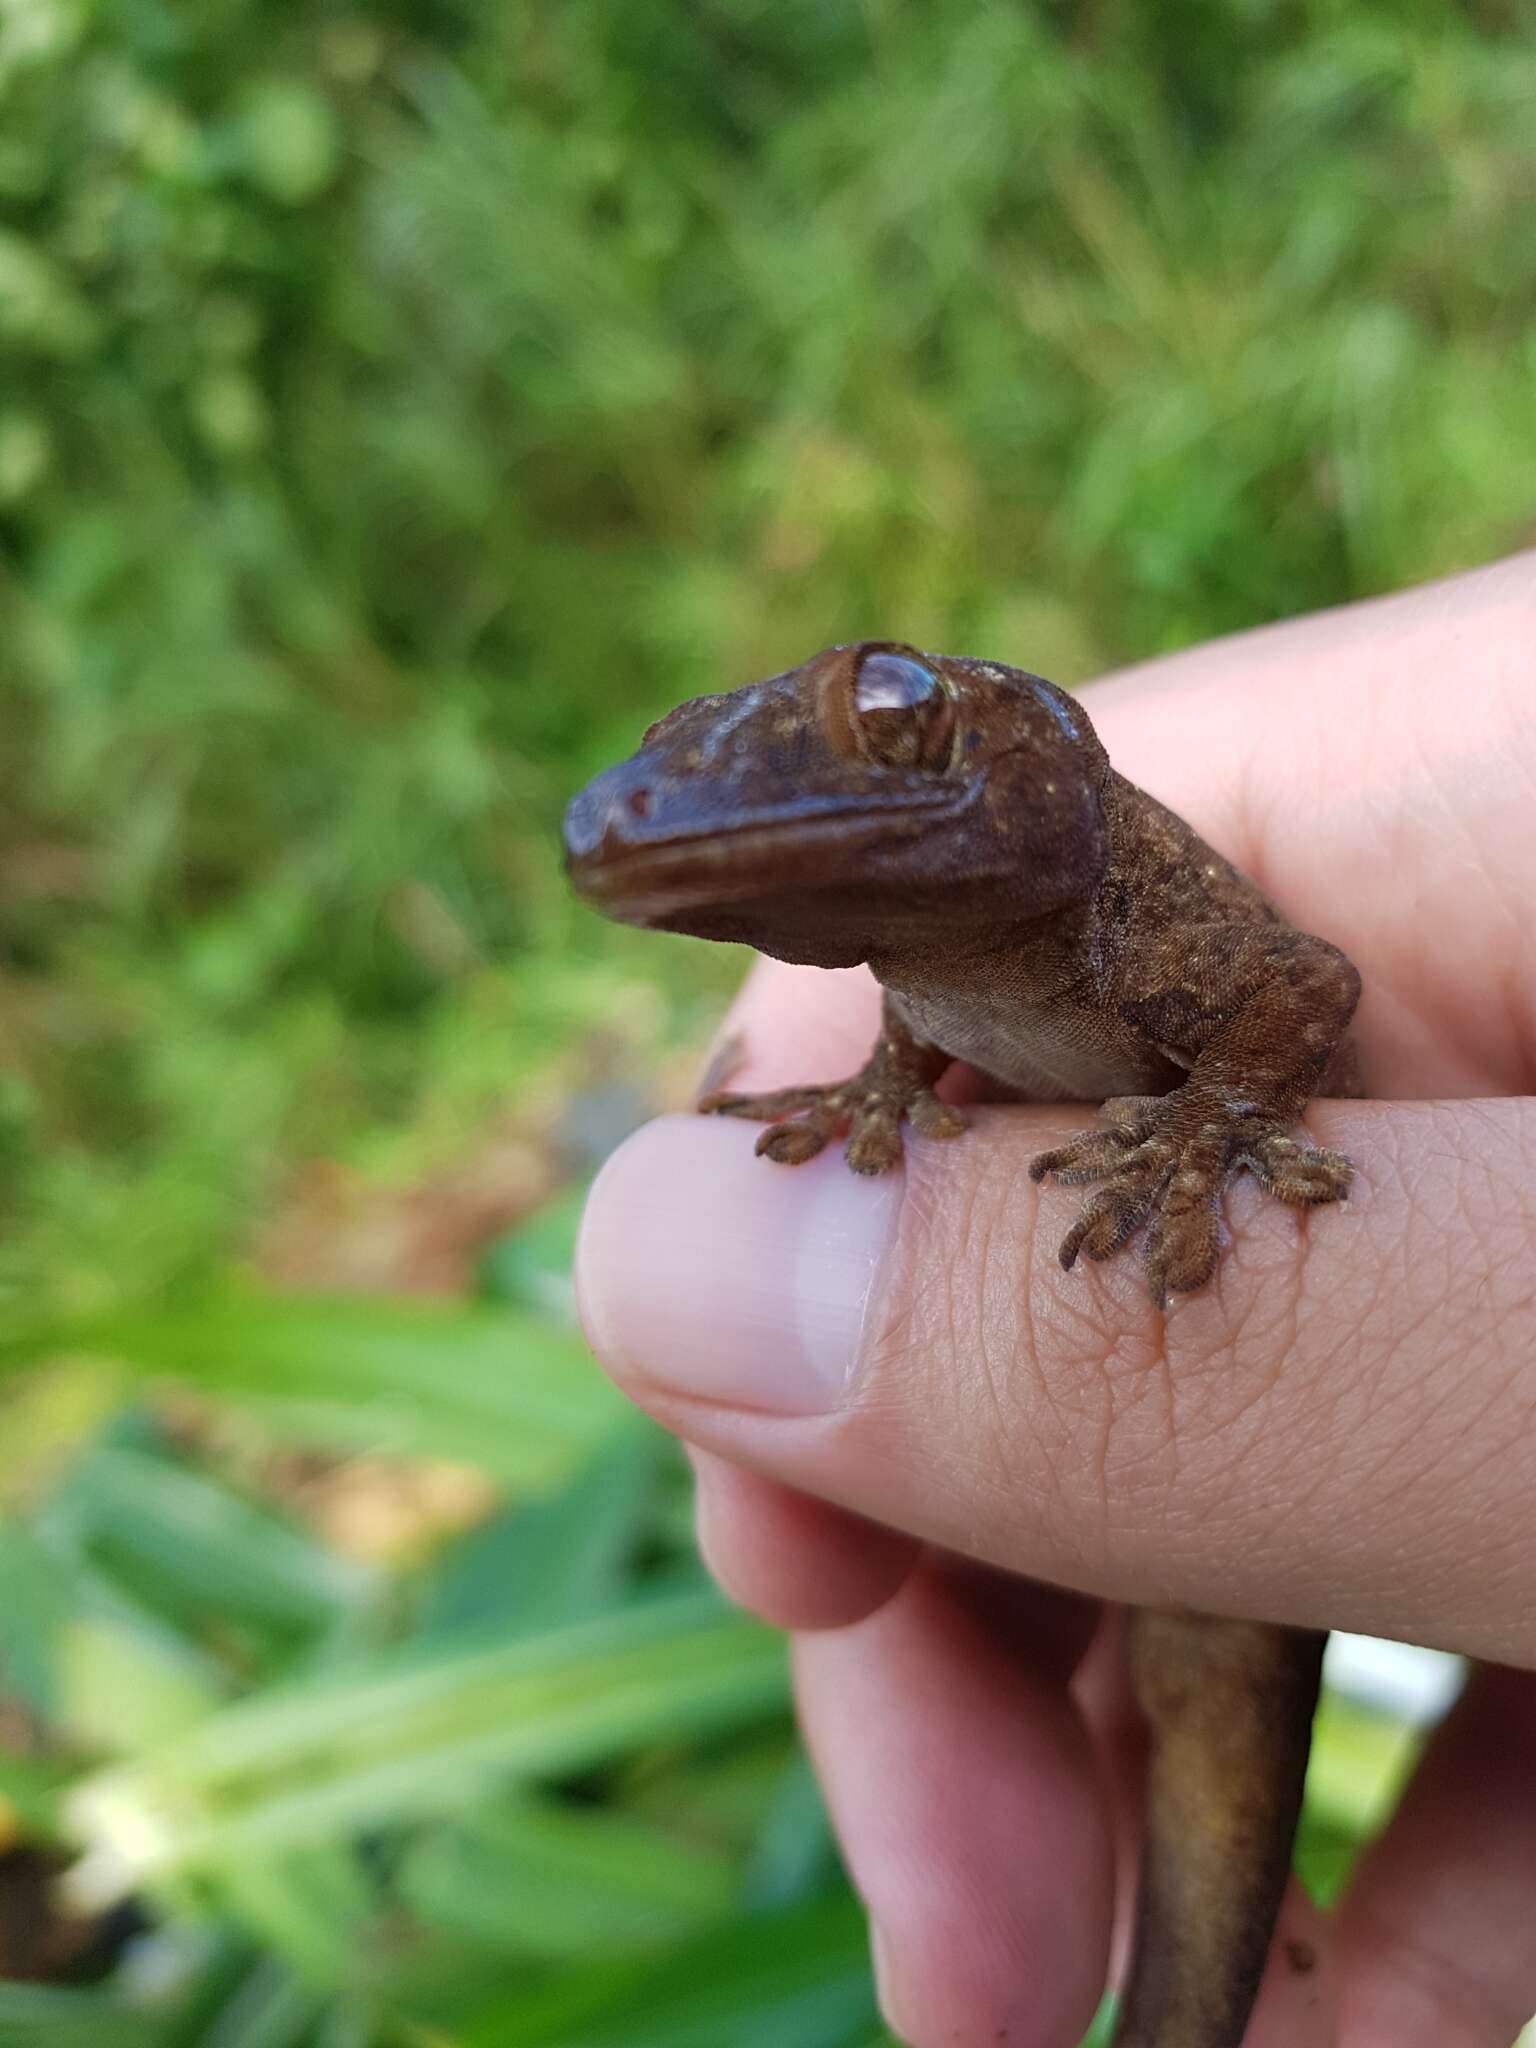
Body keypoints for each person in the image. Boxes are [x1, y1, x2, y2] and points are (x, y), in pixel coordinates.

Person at [574, 552, 1536, 2048]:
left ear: (1056, 754)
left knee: (1212, 1777)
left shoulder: (1119, 910)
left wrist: (1214, 1114)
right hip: (1193, 1544)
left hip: (1250, 1535)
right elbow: (935, 999)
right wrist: (890, 1078)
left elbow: (1302, 992)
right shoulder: (935, 948)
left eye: (889, 711)